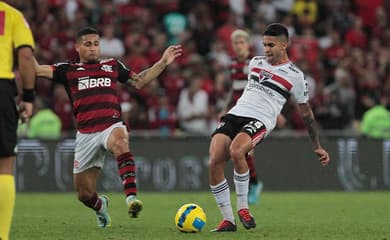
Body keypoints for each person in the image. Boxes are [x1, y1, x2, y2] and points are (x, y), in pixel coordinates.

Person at [34, 27, 182, 228]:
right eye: (88, 44)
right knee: (84, 194)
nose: (93, 49)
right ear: (77, 47)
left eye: (96, 44)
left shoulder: (112, 66)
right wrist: (22, 51)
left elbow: (139, 81)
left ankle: (131, 198)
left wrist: (163, 62)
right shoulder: (67, 70)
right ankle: (100, 206)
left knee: (121, 142)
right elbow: (36, 69)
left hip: (110, 125)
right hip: (86, 134)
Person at [208, 23, 330, 232]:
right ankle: (228, 220)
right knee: (214, 161)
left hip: (260, 120)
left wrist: (317, 145)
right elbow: (239, 87)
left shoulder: (295, 76)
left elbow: (306, 113)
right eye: (264, 45)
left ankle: (244, 208)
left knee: (237, 151)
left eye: (271, 45)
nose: (266, 49)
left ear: (284, 45)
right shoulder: (254, 63)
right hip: (236, 114)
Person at [0, 2, 36, 240]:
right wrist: (29, 96)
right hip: (1, 87)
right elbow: (25, 55)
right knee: (4, 163)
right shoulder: (11, 15)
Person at [223, 29, 263, 205]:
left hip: (252, 111)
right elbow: (234, 89)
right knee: (241, 152)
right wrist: (225, 108)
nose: (238, 46)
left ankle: (253, 185)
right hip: (237, 111)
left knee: (243, 150)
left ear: (247, 44)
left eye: (241, 43)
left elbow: (261, 88)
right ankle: (253, 184)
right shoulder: (233, 64)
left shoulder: (255, 63)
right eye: (235, 43)